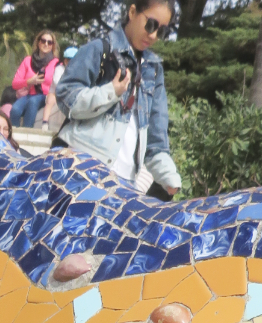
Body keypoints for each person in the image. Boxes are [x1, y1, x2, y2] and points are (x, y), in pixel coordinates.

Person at [55, 0, 181, 198]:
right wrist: (110, 92)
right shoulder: (100, 49)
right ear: (132, 12)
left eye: (162, 31)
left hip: (122, 188)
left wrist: (170, 179)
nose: (154, 35)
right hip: (78, 169)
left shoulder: (154, 69)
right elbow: (65, 96)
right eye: (151, 24)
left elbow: (157, 142)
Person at [11, 29, 61, 128]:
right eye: (43, 41)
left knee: (33, 101)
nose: (46, 44)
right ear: (38, 42)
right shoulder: (28, 60)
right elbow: (15, 84)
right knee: (15, 110)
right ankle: (13, 137)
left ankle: (27, 132)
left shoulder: (55, 63)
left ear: (52, 46)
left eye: (49, 42)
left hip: (45, 96)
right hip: (29, 95)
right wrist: (29, 81)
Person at [41, 46, 78, 135]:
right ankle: (45, 122)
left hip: (71, 94)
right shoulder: (59, 69)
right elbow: (58, 83)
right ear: (65, 61)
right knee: (50, 100)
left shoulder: (78, 72)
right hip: (56, 93)